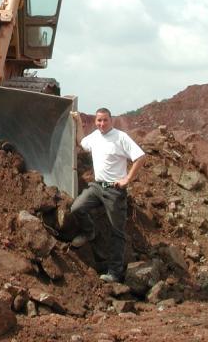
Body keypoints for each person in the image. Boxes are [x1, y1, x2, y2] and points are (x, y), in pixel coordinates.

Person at [70, 108, 145, 283]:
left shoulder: (120, 137)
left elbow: (140, 157)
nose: (102, 124)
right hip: (97, 187)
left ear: (111, 120)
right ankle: (89, 232)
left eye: (105, 120)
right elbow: (82, 142)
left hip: (114, 191)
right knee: (76, 208)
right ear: (95, 122)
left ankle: (115, 272)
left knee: (116, 232)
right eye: (99, 121)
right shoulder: (95, 136)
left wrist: (127, 179)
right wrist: (78, 123)